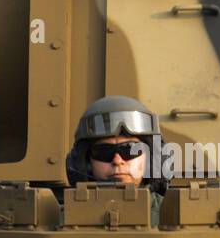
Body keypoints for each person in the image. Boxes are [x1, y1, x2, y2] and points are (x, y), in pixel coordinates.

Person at [65, 95, 167, 225]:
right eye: (104, 151)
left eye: (130, 150)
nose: (117, 160)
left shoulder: (174, 214)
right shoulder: (62, 219)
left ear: (150, 159)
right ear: (87, 163)